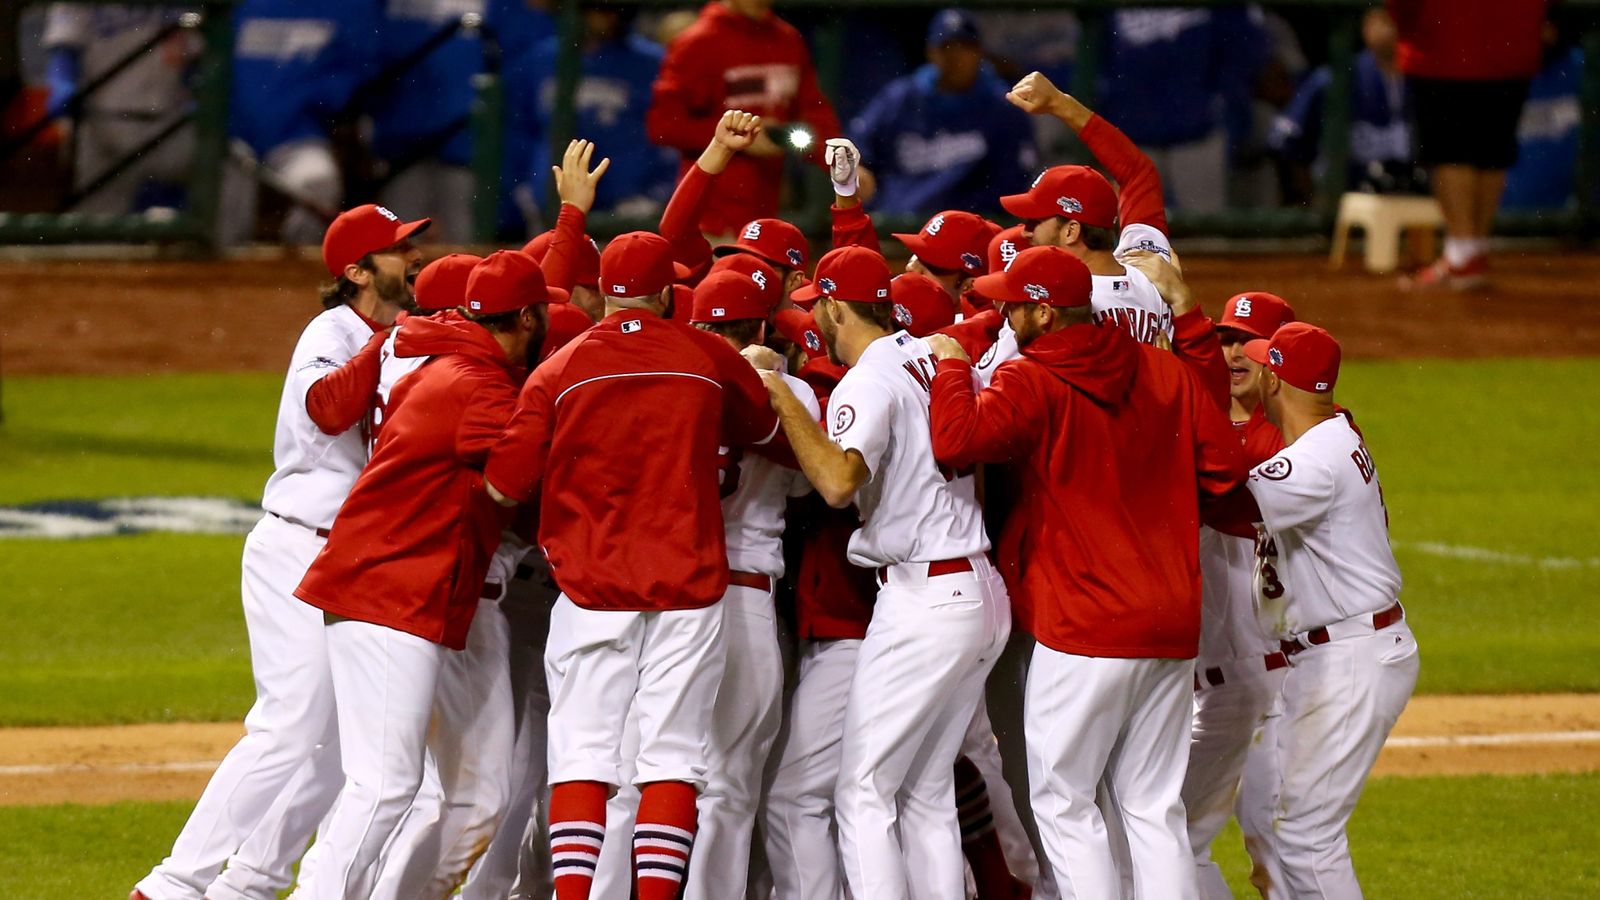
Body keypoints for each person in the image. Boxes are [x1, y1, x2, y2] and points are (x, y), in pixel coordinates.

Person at [924, 245, 1243, 900]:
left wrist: (953, 368)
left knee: (1066, 803)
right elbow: (1225, 475)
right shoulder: (1165, 371)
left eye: (1014, 303)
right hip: (1172, 621)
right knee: (1153, 807)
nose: (1004, 311)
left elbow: (957, 440)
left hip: (1085, 624)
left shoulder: (1032, 380)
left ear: (1044, 313)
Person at [131, 205, 428, 900]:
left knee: (334, 745)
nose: (412, 260)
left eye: (412, 247)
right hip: (297, 546)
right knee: (290, 727)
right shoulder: (332, 332)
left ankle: (251, 882)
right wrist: (391, 345)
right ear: (356, 272)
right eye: (397, 251)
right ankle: (173, 885)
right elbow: (327, 407)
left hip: (348, 561)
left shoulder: (395, 336)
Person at [483, 230, 782, 900]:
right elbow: (767, 433)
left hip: (590, 590)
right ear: (671, 295)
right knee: (673, 758)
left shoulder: (559, 368)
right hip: (689, 587)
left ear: (603, 297)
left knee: (583, 756)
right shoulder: (706, 354)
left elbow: (504, 485)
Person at [289, 250, 558, 900]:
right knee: (383, 787)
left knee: (479, 796)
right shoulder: (476, 385)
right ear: (526, 317)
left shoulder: (458, 366)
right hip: (388, 593)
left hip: (412, 595)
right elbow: (512, 484)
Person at [757, 245, 1011, 900]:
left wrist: (782, 396)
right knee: (925, 793)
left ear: (837, 306)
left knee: (863, 792)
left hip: (925, 598)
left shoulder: (869, 378)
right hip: (978, 589)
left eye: (822, 308)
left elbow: (839, 482)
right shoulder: (930, 353)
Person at [1236, 322, 1419, 897]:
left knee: (1307, 835)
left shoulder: (1313, 461)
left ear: (1276, 378)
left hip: (1350, 655)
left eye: (1266, 362)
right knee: (1277, 819)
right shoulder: (1334, 434)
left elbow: (1221, 493)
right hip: (1338, 652)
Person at [1181, 290, 1298, 900]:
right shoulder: (1221, 425)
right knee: (1178, 839)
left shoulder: (1283, 444)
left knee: (1281, 854)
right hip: (1228, 689)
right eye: (1224, 339)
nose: (1232, 352)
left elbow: (1225, 477)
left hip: (1272, 688)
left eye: (1248, 342)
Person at [997, 71, 1179, 357]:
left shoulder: (1050, 310)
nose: (1025, 231)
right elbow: (1138, 172)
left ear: (1071, 230)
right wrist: (1060, 103)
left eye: (1035, 221)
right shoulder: (1154, 274)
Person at [1390, 0, 1551, 289]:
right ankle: (1472, 248)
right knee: (1491, 151)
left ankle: (1462, 253)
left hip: (1442, 42)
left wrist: (1404, 25)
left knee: (1450, 151)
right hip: (1512, 40)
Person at [646, 0, 841, 236]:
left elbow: (813, 112)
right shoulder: (698, 42)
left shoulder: (787, 39)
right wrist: (737, 136)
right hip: (710, 220)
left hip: (765, 215)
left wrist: (839, 162)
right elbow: (663, 125)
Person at [848, 8, 1035, 216]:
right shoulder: (900, 98)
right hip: (897, 225)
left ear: (979, 52)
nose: (955, 57)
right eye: (946, 47)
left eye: (964, 47)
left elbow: (1012, 183)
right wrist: (859, 172)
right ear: (930, 52)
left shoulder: (1002, 105)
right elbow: (858, 148)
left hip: (970, 230)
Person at [220, 0, 378, 244]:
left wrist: (315, 103)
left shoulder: (348, 7)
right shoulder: (242, 6)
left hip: (295, 135)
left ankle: (301, 265)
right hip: (232, 137)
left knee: (319, 180)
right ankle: (220, 265)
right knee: (225, 184)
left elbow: (358, 70)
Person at [509, 3, 677, 223]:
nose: (604, 20)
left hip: (627, 202)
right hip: (552, 199)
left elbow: (668, 134)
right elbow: (519, 128)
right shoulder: (542, 58)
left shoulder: (651, 62)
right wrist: (523, 186)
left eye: (610, 11)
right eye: (595, 10)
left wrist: (656, 192)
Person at [1096, 6, 1268, 213]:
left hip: (1199, 132)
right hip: (1131, 134)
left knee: (1205, 232)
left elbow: (1245, 48)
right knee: (1132, 234)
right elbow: (1095, 56)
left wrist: (1223, 101)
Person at [41, 2, 198, 215]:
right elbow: (66, 46)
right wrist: (62, 81)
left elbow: (200, 53)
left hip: (169, 125)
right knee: (96, 233)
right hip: (102, 127)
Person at [1270, 8, 1421, 201]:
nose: (1391, 30)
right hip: (1348, 204)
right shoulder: (1332, 80)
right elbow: (1289, 145)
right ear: (1367, 26)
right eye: (1384, 20)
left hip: (1415, 203)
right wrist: (1313, 202)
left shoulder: (1424, 83)